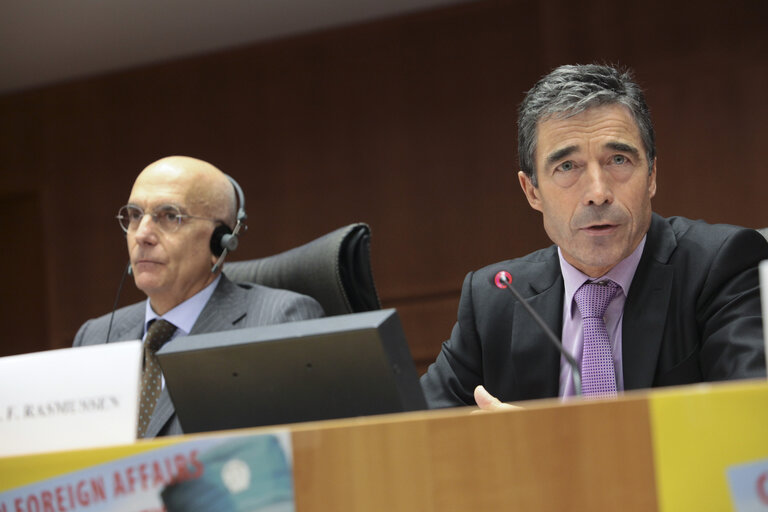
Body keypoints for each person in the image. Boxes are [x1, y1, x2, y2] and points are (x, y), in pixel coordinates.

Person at [420, 64, 768, 410]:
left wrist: (543, 446)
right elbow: (412, 431)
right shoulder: (494, 299)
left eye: (618, 159)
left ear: (651, 176)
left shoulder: (721, 266)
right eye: (567, 167)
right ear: (532, 192)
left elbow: (748, 422)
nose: (598, 193)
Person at [73, 156, 324, 436]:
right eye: (134, 215)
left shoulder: (277, 323)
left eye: (169, 216)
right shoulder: (94, 337)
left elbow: (303, 452)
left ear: (221, 240)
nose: (142, 235)